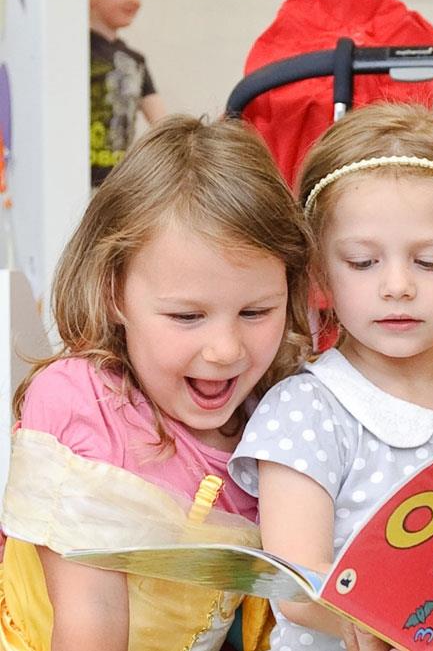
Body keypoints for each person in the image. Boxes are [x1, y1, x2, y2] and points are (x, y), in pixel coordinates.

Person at [0, 115, 313, 651]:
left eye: (257, 311)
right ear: (115, 292)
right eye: (188, 317)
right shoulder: (81, 404)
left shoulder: (280, 418)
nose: (226, 350)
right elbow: (88, 626)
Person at [228, 102, 433, 651]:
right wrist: (404, 632)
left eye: (429, 261)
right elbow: (297, 587)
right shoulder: (308, 409)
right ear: (319, 269)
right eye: (362, 261)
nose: (397, 286)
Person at [89, 0, 166, 188]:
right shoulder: (73, 52)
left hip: (114, 184)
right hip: (72, 176)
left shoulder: (135, 61)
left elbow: (163, 123)